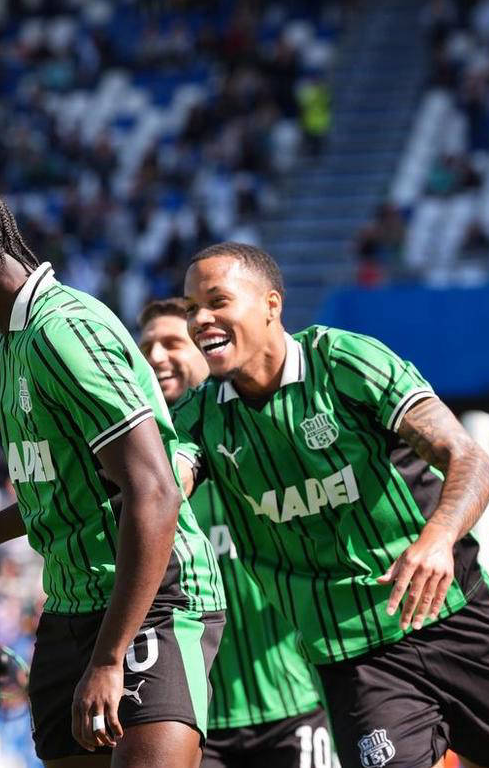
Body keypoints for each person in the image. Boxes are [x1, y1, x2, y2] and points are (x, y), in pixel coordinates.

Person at [172, 241, 489, 768]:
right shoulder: (199, 416)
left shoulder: (344, 361)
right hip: (355, 658)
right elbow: (161, 490)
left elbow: (469, 459)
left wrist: (437, 539)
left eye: (217, 302)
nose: (200, 320)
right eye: (191, 309)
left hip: (454, 618)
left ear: (271, 304)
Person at [0, 185, 226, 768]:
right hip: (70, 607)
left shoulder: (65, 330)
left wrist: (109, 658)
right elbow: (70, 488)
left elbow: (154, 491)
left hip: (153, 600)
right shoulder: (10, 348)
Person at [137, 298, 335, 768]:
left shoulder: (260, 446)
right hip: (193, 720)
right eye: (145, 348)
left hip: (296, 703)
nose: (156, 357)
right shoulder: (142, 472)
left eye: (172, 343)